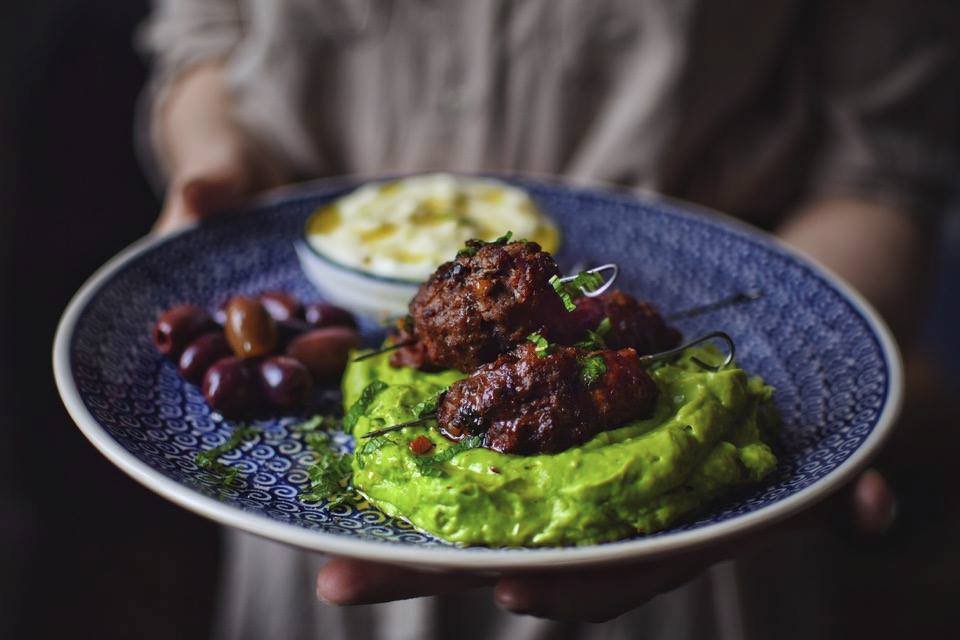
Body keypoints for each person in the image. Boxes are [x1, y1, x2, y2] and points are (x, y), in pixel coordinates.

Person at [138, 1, 958, 637]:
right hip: (312, 525)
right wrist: (213, 161)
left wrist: (823, 357)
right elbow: (202, 39)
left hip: (710, 565)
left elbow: (879, 165)